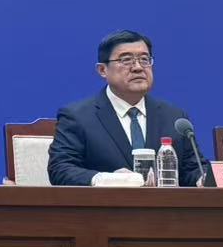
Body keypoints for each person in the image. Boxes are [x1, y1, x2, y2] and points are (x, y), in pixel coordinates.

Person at [48, 29, 203, 186]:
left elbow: (193, 169)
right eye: (126, 60)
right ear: (102, 70)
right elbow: (61, 170)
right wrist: (107, 179)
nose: (138, 67)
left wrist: (201, 179)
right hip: (107, 201)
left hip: (165, 202)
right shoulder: (78, 117)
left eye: (144, 59)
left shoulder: (174, 117)